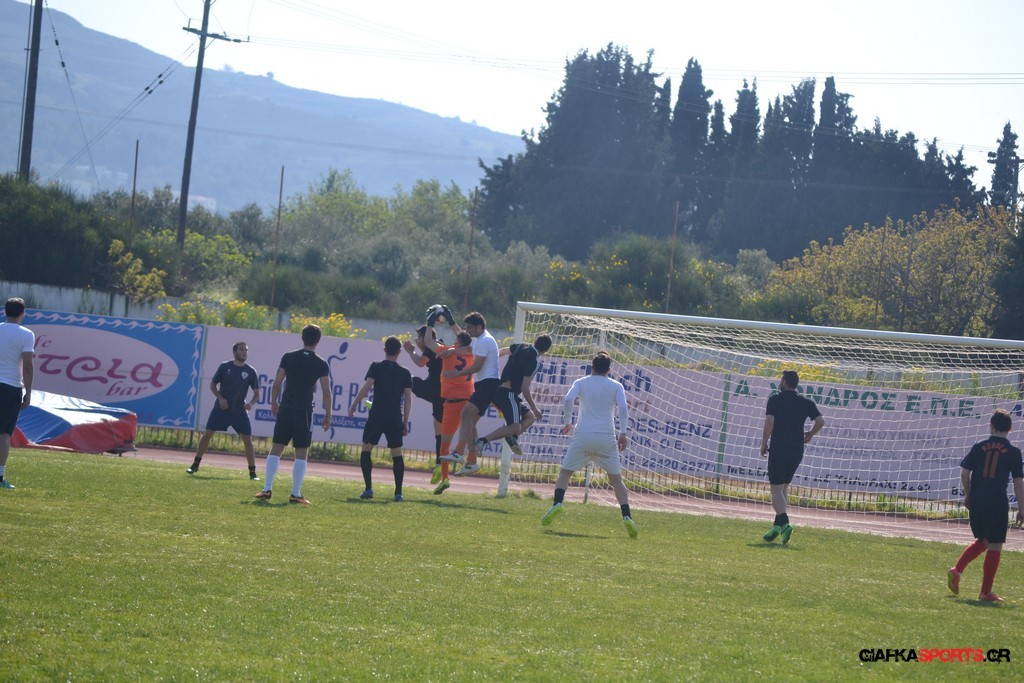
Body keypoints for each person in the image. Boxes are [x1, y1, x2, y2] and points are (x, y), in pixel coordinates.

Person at [541, 352, 637, 538]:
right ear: (609, 370)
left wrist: (568, 422)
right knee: (616, 480)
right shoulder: (616, 385)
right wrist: (623, 433)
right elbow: (624, 408)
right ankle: (627, 516)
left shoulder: (581, 382)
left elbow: (568, 399)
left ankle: (557, 503)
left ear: (592, 367)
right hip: (606, 437)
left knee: (565, 473)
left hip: (583, 435)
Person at [947, 409, 1024, 603]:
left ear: (991, 425)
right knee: (995, 545)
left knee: (984, 540)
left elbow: (965, 473)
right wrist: (1022, 509)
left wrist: (968, 495)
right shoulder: (1014, 452)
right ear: (1010, 428)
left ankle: (957, 570)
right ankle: (985, 592)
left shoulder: (979, 446)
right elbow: (1018, 483)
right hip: (996, 501)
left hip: (978, 500)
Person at [255, 325, 331, 505]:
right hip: (304, 411)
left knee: (277, 447)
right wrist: (328, 414)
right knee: (301, 451)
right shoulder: (321, 363)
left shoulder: (288, 357)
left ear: (302, 338)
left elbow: (276, 383)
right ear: (318, 341)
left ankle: (267, 489)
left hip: (286, 408)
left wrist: (274, 402)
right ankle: (295, 493)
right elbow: (326, 392)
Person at [759, 370, 825, 544]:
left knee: (776, 489)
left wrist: (764, 442)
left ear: (784, 382)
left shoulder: (775, 399)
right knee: (783, 489)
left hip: (779, 448)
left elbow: (769, 422)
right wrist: (810, 434)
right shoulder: (805, 402)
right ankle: (776, 527)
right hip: (796, 450)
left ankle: (785, 523)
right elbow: (820, 421)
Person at [472, 334, 552, 467]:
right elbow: (525, 388)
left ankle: (512, 437)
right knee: (516, 426)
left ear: (535, 341)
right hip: (508, 394)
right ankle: (482, 441)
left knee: (529, 417)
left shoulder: (521, 346)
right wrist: (535, 407)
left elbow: (502, 351)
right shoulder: (534, 361)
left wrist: (487, 364)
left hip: (499, 391)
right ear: (546, 350)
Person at [349, 336, 413, 501]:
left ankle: (368, 488)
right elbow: (408, 399)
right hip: (394, 416)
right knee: (396, 453)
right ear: (399, 352)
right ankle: (398, 493)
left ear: (384, 350)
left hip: (377, 414)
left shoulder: (376, 366)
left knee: (366, 449)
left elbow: (367, 386)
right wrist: (405, 422)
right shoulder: (405, 372)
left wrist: (354, 404)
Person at [187, 341, 261, 480]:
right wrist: (220, 398)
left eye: (246, 349)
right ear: (234, 352)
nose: (244, 352)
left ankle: (252, 472)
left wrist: (251, 403)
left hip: (239, 411)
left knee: (247, 440)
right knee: (207, 434)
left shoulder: (251, 371)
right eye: (241, 349)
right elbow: (213, 385)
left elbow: (257, 393)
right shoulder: (225, 367)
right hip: (221, 409)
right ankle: (195, 464)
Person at [440, 311, 501, 475]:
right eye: (466, 327)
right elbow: (468, 349)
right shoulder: (478, 339)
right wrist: (452, 351)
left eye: (469, 328)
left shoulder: (485, 340)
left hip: (488, 384)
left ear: (479, 327)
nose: (467, 331)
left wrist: (456, 373)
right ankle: (472, 462)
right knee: (470, 423)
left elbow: (476, 366)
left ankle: (459, 452)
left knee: (465, 414)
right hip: (485, 384)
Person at [433, 330, 475, 494]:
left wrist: (431, 323)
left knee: (445, 445)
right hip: (468, 401)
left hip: (452, 403)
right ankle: (471, 462)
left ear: (457, 342)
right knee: (470, 435)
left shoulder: (448, 351)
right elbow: (471, 348)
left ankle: (445, 478)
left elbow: (429, 342)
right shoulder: (472, 354)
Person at [0, 298, 34, 490]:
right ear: (23, 314)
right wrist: (28, 392)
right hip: (11, 386)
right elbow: (27, 365)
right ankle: (0, 475)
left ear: (4, 312)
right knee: (4, 433)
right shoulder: (26, 334)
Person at [403, 325, 444, 478]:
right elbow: (428, 359)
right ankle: (440, 465)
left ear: (426, 338)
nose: (417, 339)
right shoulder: (438, 345)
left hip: (434, 389)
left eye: (419, 337)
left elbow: (420, 362)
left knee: (405, 378)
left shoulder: (433, 346)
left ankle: (390, 402)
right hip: (442, 394)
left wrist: (410, 351)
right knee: (439, 432)